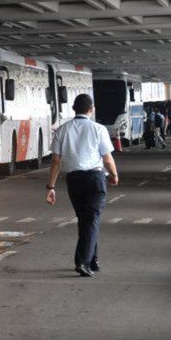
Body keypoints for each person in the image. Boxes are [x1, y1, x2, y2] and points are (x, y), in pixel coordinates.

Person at [45, 93, 119, 278]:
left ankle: (92, 259)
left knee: (85, 219)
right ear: (91, 109)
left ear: (73, 109)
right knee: (91, 219)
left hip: (74, 180)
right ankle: (83, 262)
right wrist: (115, 175)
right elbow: (107, 158)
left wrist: (51, 187)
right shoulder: (98, 129)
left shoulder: (62, 130)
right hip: (95, 178)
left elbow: (55, 161)